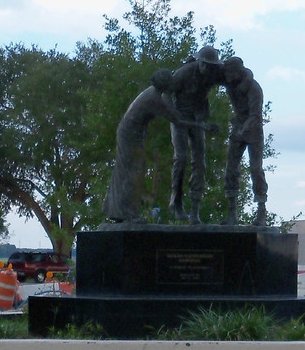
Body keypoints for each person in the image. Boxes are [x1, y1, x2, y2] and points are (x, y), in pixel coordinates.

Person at [102, 69, 215, 223]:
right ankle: (128, 214)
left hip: (131, 133)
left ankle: (119, 212)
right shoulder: (156, 99)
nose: (172, 87)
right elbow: (178, 121)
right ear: (164, 85)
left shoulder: (153, 93)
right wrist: (203, 126)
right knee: (133, 170)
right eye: (170, 84)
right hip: (130, 135)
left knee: (130, 170)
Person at [168, 46, 224, 224]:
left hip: (198, 120)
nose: (207, 69)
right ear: (199, 61)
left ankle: (195, 209)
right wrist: (172, 115)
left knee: (200, 161)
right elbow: (164, 93)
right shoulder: (183, 73)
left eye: (211, 66)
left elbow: (233, 76)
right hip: (179, 118)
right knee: (182, 157)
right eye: (205, 65)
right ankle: (176, 203)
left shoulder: (215, 73)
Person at [222, 56, 268, 226]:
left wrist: (242, 131)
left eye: (229, 73)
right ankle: (231, 213)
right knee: (230, 169)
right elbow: (214, 71)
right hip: (238, 127)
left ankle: (261, 210)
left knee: (256, 168)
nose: (226, 76)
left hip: (253, 130)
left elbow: (255, 116)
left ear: (237, 72)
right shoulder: (230, 81)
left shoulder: (254, 89)